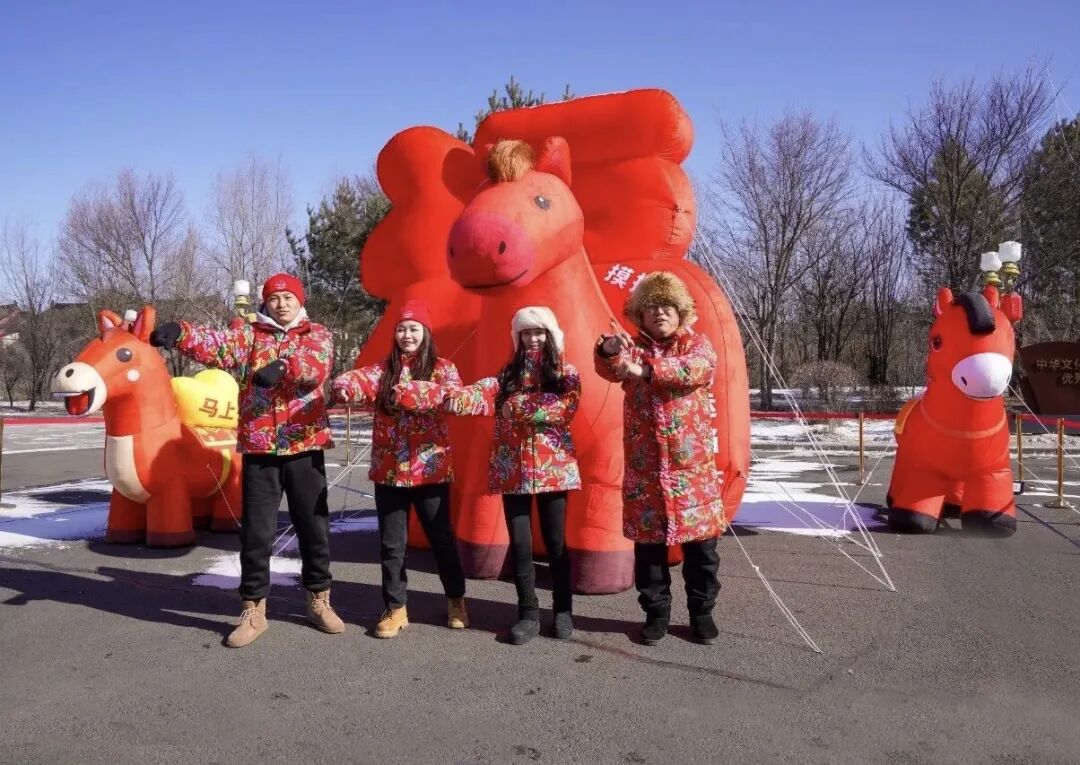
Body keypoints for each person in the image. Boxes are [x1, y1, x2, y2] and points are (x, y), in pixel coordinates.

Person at [150, 272, 343, 648]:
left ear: (300, 300)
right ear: (265, 302)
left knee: (313, 528)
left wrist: (284, 368)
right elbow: (218, 345)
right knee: (257, 532)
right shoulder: (251, 335)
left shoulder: (317, 333)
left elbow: (315, 367)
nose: (281, 304)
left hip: (304, 443)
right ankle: (254, 609)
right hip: (260, 446)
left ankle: (319, 599)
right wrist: (182, 333)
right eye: (274, 298)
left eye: (288, 297)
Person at [593, 271, 725, 646]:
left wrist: (648, 371)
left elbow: (696, 369)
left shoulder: (697, 345)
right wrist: (608, 349)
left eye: (667, 306)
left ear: (681, 312)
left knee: (702, 554)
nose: (660, 313)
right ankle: (656, 614)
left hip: (692, 474)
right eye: (651, 307)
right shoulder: (632, 349)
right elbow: (609, 368)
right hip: (645, 473)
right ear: (641, 315)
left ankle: (702, 613)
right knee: (649, 554)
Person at [330, 300, 468, 638]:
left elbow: (454, 394)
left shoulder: (442, 368)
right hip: (389, 471)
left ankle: (456, 599)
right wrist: (344, 386)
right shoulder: (382, 369)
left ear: (425, 333)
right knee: (392, 544)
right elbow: (358, 380)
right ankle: (395, 607)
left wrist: (421, 393)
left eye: (414, 329)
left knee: (441, 540)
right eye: (402, 329)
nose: (407, 335)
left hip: (430, 470)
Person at [449, 307, 580, 645]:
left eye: (539, 332)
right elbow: (484, 391)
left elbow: (565, 408)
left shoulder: (566, 372)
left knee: (555, 542)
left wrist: (518, 407)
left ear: (550, 335)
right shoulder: (507, 374)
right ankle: (528, 612)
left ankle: (563, 609)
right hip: (512, 469)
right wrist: (456, 397)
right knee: (520, 544)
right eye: (526, 332)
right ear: (517, 337)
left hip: (553, 469)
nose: (532, 338)